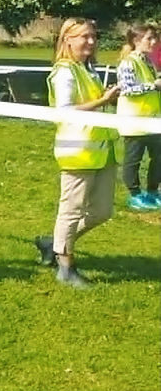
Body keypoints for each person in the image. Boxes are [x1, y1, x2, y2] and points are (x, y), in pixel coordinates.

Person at [34, 18, 120, 289]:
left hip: (102, 151)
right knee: (70, 211)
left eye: (93, 36)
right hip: (78, 151)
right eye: (84, 36)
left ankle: (54, 243)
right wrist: (104, 101)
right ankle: (65, 267)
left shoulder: (87, 70)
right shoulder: (65, 72)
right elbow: (65, 110)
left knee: (102, 212)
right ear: (67, 39)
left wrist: (107, 97)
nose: (91, 42)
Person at [116, 23, 161, 211]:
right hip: (133, 121)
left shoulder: (148, 61)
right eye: (149, 38)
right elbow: (126, 89)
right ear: (136, 41)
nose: (154, 41)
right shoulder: (128, 62)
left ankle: (152, 191)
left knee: (158, 157)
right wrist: (153, 86)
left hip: (152, 120)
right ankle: (134, 194)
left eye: (155, 38)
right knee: (133, 161)